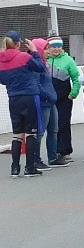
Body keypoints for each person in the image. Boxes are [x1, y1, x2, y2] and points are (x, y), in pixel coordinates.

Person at [0, 30, 46, 177]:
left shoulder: (1, 60)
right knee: (31, 132)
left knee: (17, 134)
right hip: (29, 96)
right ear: (18, 43)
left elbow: (3, 80)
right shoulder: (24, 57)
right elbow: (40, 67)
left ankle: (15, 168)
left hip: (13, 98)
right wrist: (34, 51)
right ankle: (30, 167)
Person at [45, 35, 80, 165]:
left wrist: (73, 93)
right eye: (54, 46)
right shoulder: (45, 60)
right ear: (48, 47)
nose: (57, 49)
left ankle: (65, 151)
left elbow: (76, 77)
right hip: (49, 98)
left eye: (59, 46)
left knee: (63, 124)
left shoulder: (68, 60)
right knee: (52, 127)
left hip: (64, 98)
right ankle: (53, 152)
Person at [31, 38, 57, 171]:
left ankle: (53, 157)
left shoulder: (45, 64)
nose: (48, 51)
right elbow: (37, 84)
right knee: (40, 132)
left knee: (53, 130)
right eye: (45, 49)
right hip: (43, 103)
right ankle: (36, 160)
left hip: (51, 102)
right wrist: (47, 95)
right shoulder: (36, 66)